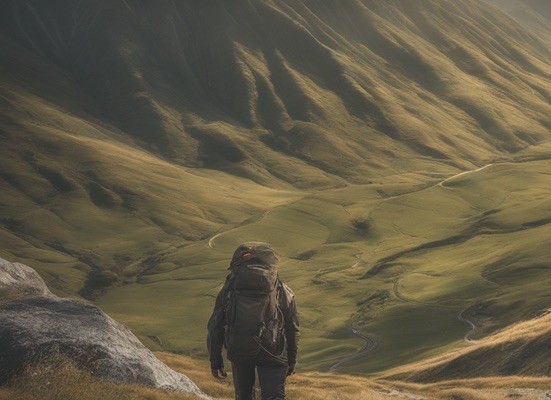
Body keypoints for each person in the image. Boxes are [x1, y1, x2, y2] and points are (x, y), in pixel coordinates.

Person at [207, 242, 299, 400]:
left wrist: (216, 361)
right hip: (273, 350)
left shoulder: (230, 286)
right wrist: (291, 360)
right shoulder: (280, 288)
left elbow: (215, 325)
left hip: (240, 348)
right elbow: (292, 326)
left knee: (243, 397)